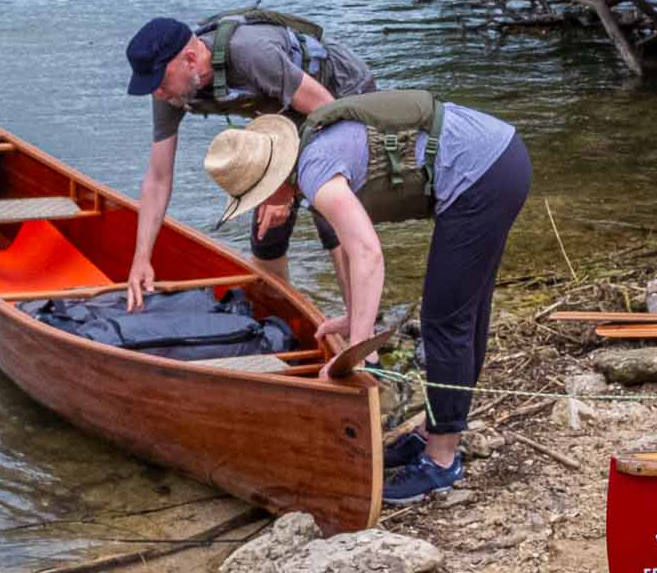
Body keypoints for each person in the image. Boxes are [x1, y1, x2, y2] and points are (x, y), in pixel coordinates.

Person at [202, 90, 531, 504]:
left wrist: (360, 345)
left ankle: (442, 461)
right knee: (465, 309)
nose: (260, 207)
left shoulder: (316, 173)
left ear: (268, 184)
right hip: (499, 158)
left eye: (252, 198)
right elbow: (360, 256)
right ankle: (436, 430)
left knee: (444, 320)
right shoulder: (311, 154)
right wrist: (356, 316)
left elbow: (368, 254)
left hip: (484, 173)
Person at [122, 12, 375, 307]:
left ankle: (361, 336)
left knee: (330, 216)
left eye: (160, 81)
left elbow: (329, 113)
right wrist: (141, 259)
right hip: (282, 119)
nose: (157, 92)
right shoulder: (171, 92)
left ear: (190, 60)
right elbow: (158, 177)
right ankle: (281, 317)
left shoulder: (250, 53)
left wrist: (287, 189)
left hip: (338, 99)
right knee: (266, 232)